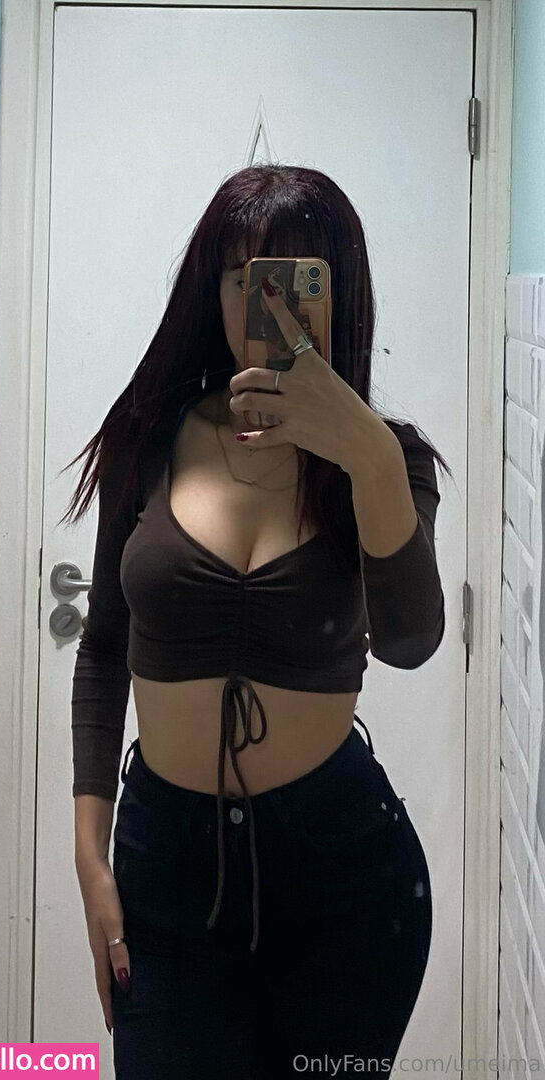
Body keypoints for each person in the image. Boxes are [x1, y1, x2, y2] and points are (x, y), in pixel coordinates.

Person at [61, 163, 449, 1079]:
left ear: (337, 298)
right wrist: (89, 856)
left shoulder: (385, 461)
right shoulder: (150, 436)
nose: (263, 306)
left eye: (293, 281)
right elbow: (105, 645)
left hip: (344, 879)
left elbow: (410, 641)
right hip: (166, 869)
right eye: (243, 279)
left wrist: (363, 452)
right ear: (214, 290)